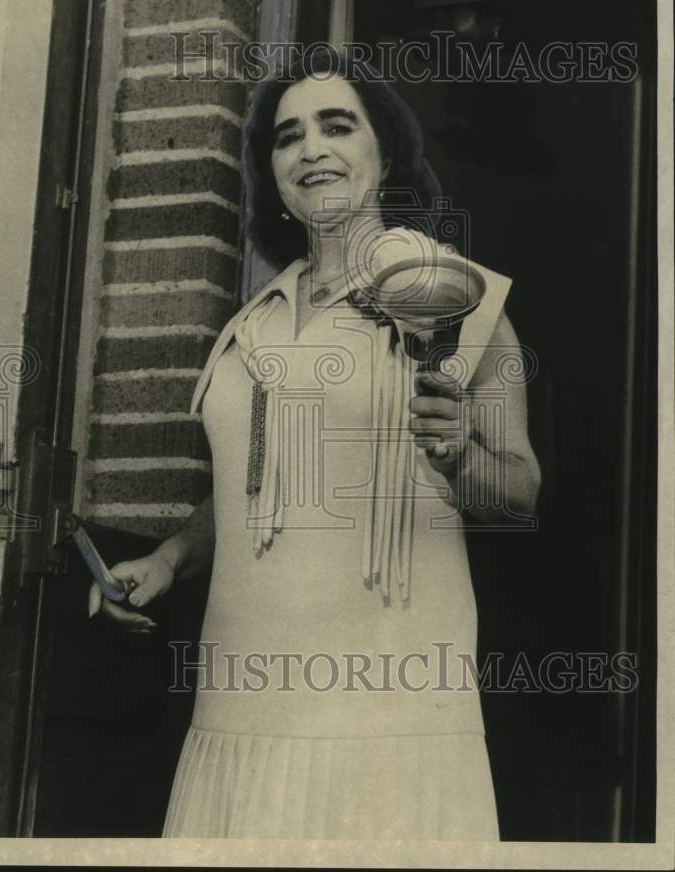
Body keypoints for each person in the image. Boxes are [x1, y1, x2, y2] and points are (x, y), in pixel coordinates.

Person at [88, 51, 542, 840]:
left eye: (338, 125)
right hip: (240, 692)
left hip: (387, 698)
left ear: (387, 152)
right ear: (274, 170)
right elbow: (253, 481)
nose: (312, 149)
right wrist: (166, 559)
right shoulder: (251, 322)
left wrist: (459, 454)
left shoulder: (456, 297)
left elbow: (521, 491)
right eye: (288, 136)